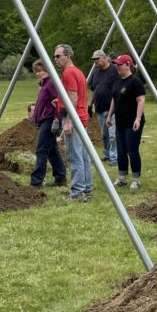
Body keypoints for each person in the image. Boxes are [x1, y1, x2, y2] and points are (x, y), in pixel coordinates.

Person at [53, 44, 92, 202]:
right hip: (81, 117)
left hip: (74, 119)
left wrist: (68, 122)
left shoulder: (68, 73)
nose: (55, 59)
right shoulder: (78, 72)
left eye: (58, 56)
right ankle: (87, 189)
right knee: (84, 156)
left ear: (68, 56)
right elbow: (76, 95)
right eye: (55, 56)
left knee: (74, 156)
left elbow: (73, 99)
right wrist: (60, 100)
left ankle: (77, 193)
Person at [107, 54, 146, 189]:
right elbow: (114, 99)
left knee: (132, 150)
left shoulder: (135, 81)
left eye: (119, 64)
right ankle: (122, 177)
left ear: (128, 65)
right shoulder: (117, 80)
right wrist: (109, 115)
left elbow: (141, 100)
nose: (117, 66)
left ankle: (136, 179)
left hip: (132, 122)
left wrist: (138, 119)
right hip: (120, 121)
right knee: (121, 150)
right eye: (116, 64)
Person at [28, 59, 66, 189]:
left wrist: (57, 120)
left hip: (50, 120)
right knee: (52, 151)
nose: (38, 74)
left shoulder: (51, 84)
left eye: (41, 70)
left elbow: (59, 101)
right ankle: (60, 178)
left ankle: (36, 181)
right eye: (36, 71)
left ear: (48, 70)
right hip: (45, 120)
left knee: (41, 150)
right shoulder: (44, 84)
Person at [89, 50, 119, 164]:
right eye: (93, 59)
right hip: (100, 108)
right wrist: (90, 105)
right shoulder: (96, 72)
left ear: (104, 58)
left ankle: (114, 157)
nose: (95, 61)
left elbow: (116, 90)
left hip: (111, 108)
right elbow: (93, 90)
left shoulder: (114, 70)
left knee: (112, 135)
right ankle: (107, 153)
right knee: (104, 134)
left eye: (97, 59)